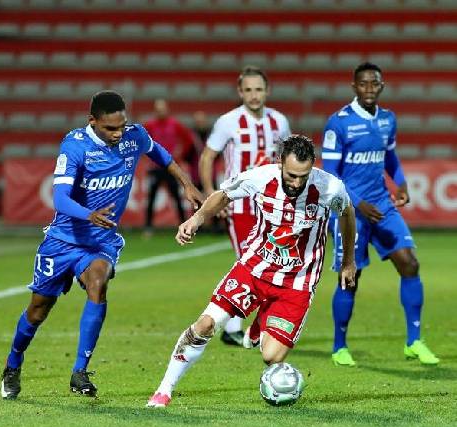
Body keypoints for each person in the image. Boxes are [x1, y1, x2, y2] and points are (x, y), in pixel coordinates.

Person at [1, 91, 203, 400]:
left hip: (101, 240)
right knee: (39, 310)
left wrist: (187, 185)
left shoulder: (134, 137)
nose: (118, 133)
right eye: (110, 128)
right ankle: (13, 364)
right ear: (92, 122)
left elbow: (162, 156)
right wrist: (88, 214)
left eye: (121, 126)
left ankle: (80, 370)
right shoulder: (75, 146)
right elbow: (59, 199)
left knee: (98, 281)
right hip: (63, 241)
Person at [147, 134, 356, 407]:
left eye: (302, 177)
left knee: (271, 357)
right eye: (291, 175)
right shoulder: (261, 177)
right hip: (254, 269)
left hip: (297, 282)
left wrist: (348, 260)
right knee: (205, 325)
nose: (296, 183)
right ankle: (164, 391)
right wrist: (196, 220)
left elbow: (347, 214)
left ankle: (260, 323)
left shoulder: (329, 188)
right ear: (280, 162)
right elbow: (223, 196)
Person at [322, 62, 439, 366]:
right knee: (351, 278)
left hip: (382, 206)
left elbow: (389, 156)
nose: (369, 89)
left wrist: (399, 183)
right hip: (351, 210)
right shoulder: (339, 123)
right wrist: (358, 203)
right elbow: (331, 175)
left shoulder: (388, 119)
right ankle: (339, 346)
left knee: (410, 264)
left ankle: (414, 342)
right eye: (364, 84)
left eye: (375, 84)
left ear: (382, 86)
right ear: (354, 87)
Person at [198, 66, 291, 346]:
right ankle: (236, 328)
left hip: (271, 204)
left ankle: (239, 326)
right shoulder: (228, 122)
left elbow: (288, 158)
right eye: (248, 90)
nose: (254, 95)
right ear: (240, 92)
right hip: (239, 205)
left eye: (259, 89)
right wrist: (212, 195)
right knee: (251, 263)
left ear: (267, 91)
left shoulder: (279, 121)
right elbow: (206, 158)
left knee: (267, 262)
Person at [143, 99, 200, 235]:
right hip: (155, 167)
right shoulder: (150, 125)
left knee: (176, 197)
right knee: (151, 198)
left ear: (166, 109)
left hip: (170, 166)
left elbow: (188, 140)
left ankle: (183, 224)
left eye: (162, 108)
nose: (160, 111)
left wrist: (180, 155)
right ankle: (148, 227)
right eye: (158, 109)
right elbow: (141, 141)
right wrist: (147, 156)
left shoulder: (174, 124)